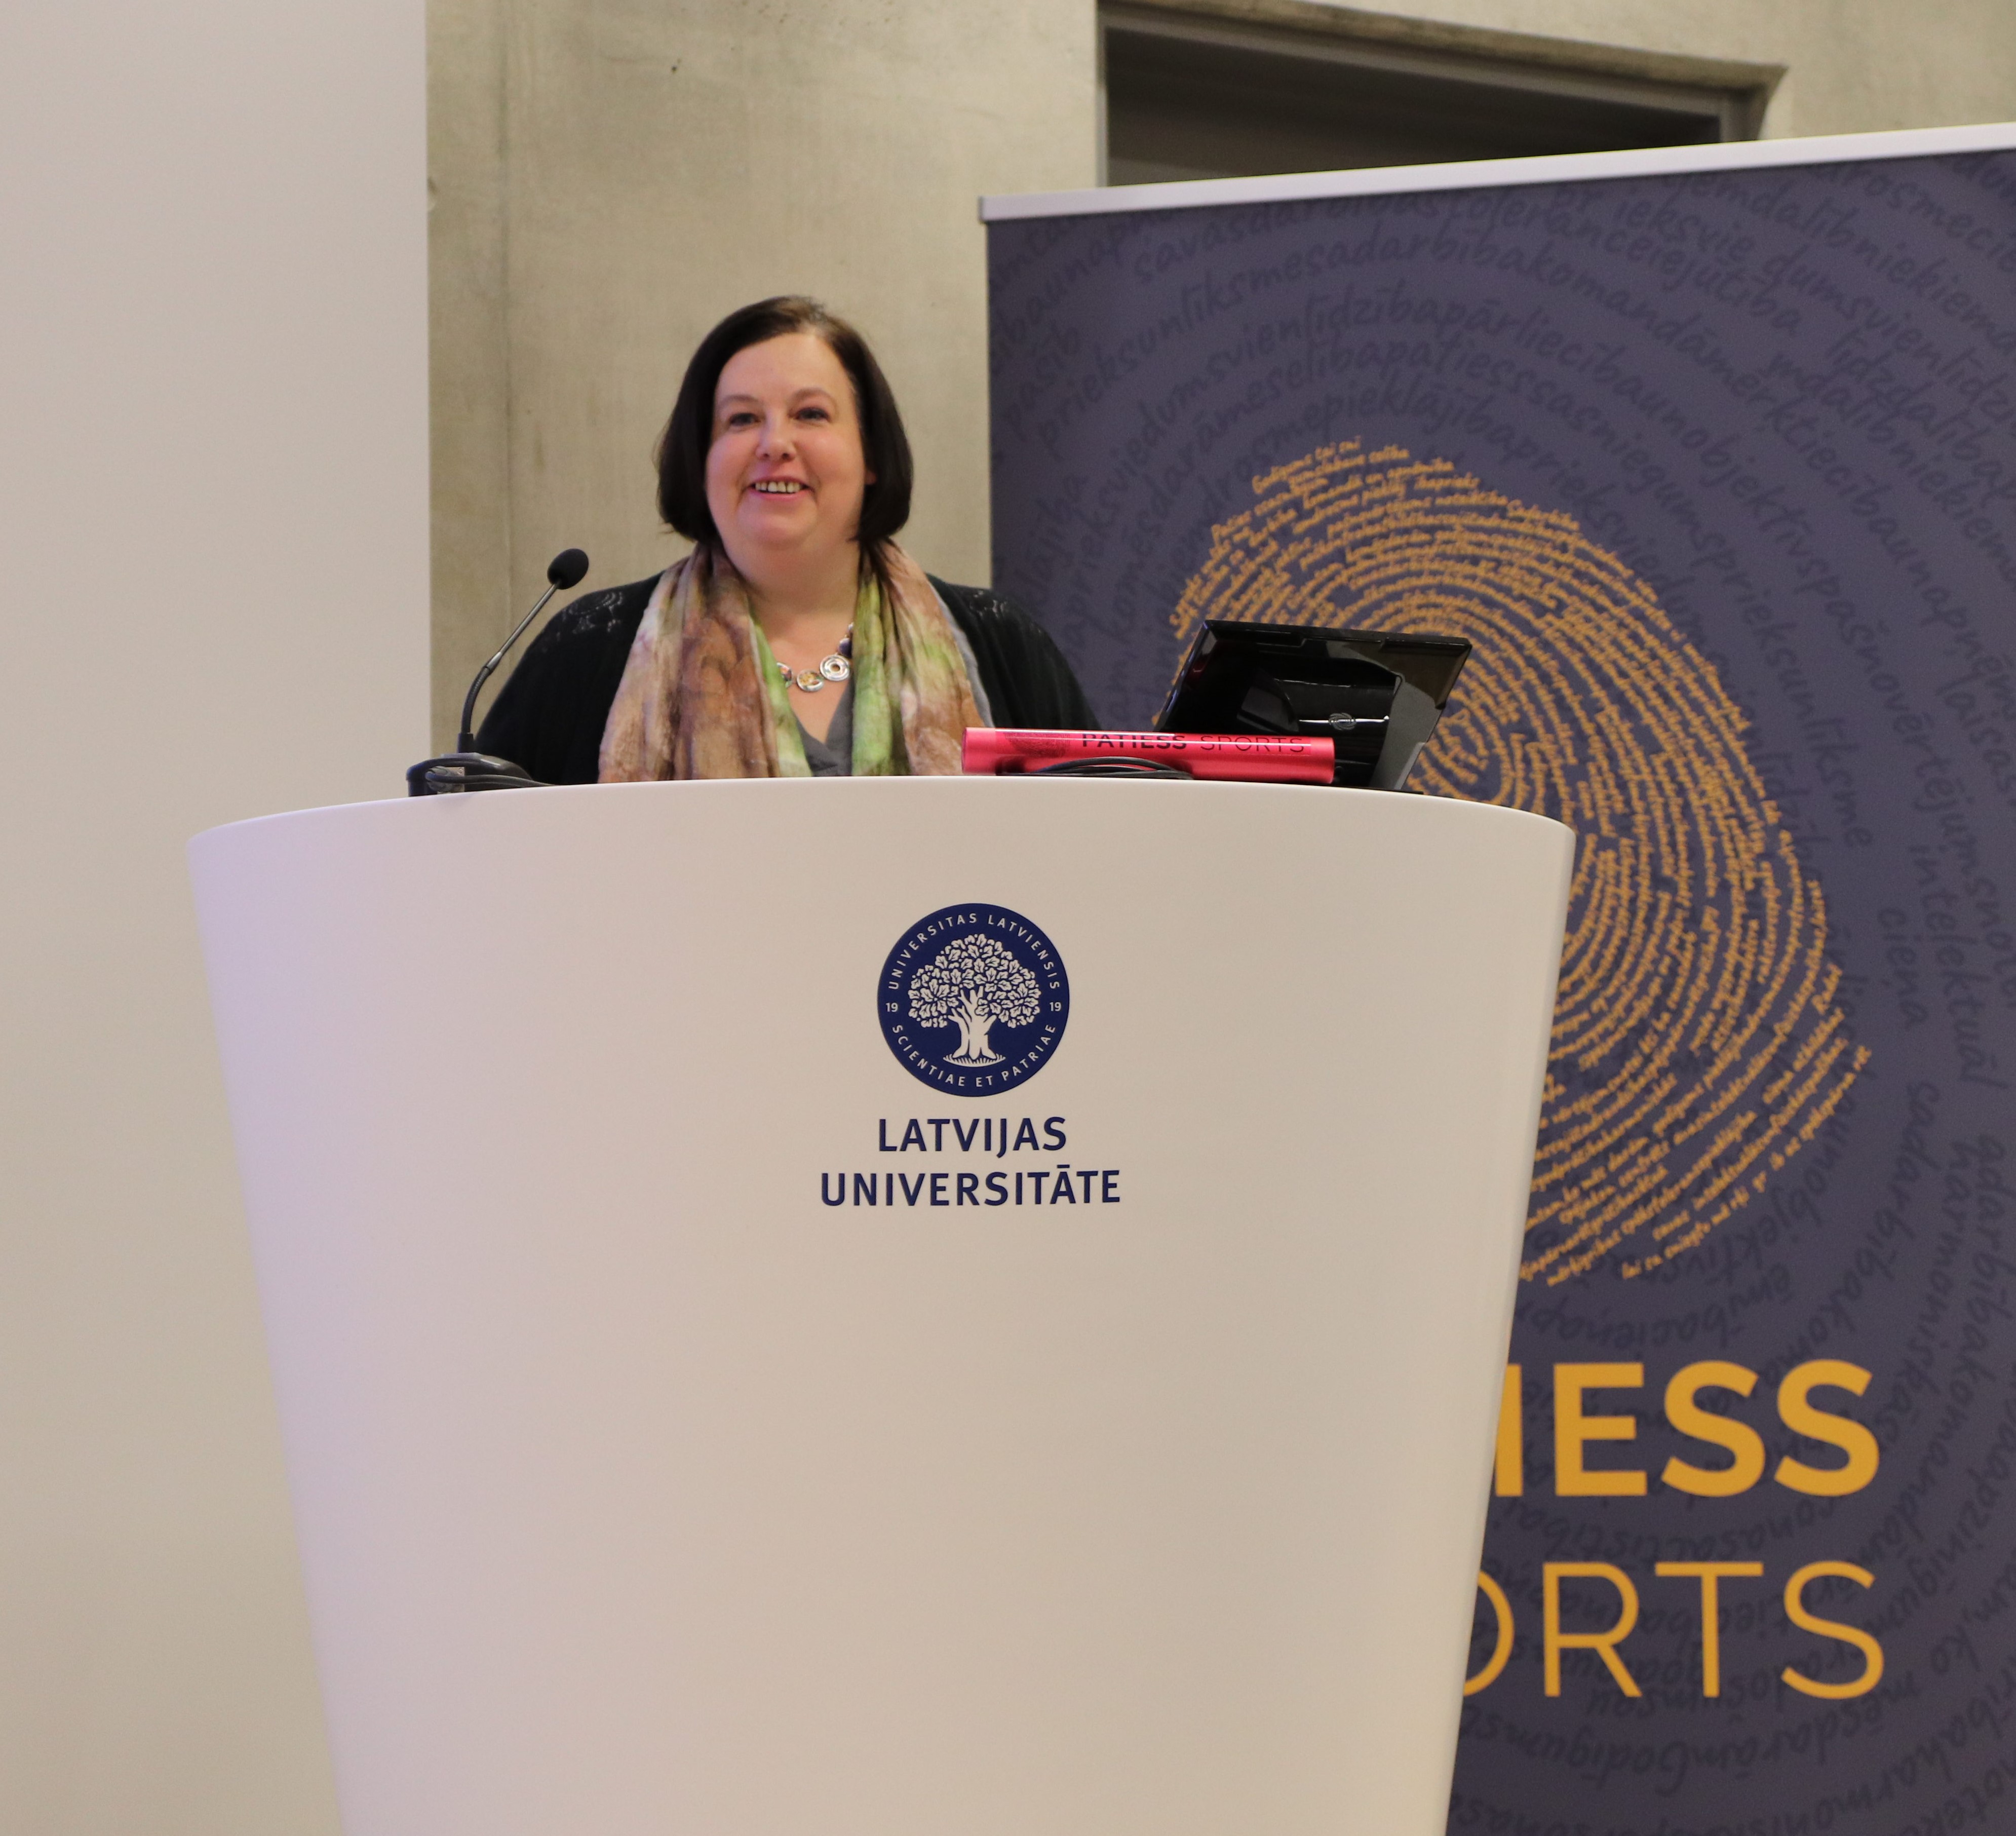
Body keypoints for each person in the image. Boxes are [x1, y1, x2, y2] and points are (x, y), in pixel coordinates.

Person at [475, 296, 1097, 783]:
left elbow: (1092, 845)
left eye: (810, 414)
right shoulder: (589, 651)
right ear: (701, 459)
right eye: (741, 419)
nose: (774, 444)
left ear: (870, 453)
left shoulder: (1002, 646)